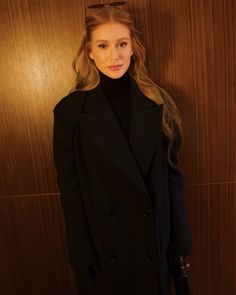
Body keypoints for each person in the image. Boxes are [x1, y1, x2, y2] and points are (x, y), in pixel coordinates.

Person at [52, 2, 192, 295]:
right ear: (89, 51)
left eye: (121, 44)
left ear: (133, 47)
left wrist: (179, 248)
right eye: (103, 45)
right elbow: (70, 191)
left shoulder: (159, 103)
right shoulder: (70, 112)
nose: (114, 55)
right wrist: (81, 259)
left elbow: (172, 181)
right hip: (104, 254)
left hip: (153, 247)